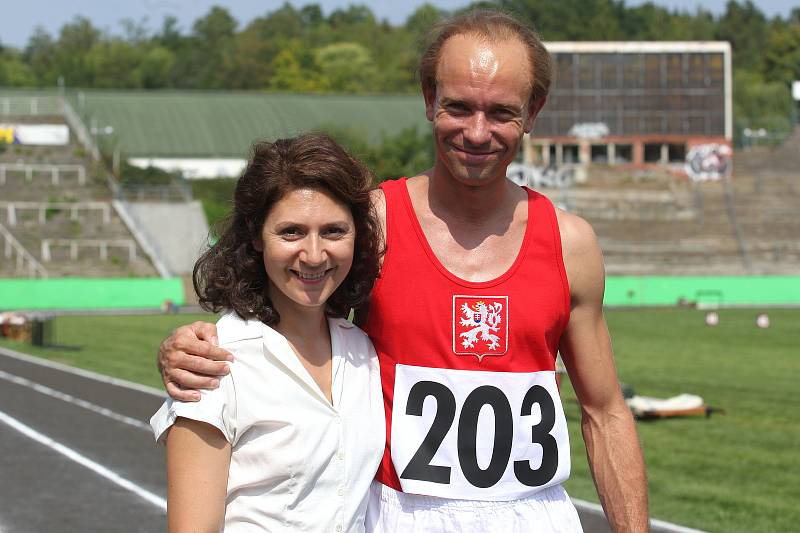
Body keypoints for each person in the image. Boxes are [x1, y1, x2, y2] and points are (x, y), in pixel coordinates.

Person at [157, 9, 648, 532]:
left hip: (535, 514)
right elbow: (279, 312)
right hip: (398, 515)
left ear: (533, 111)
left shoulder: (570, 243)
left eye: (501, 112)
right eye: (458, 107)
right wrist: (184, 347)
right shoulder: (369, 225)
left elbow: (606, 412)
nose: (477, 133)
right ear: (429, 97)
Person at [150, 134, 385, 532]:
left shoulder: (362, 349)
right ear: (257, 235)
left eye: (333, 231)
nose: (313, 255)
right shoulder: (213, 364)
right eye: (291, 232)